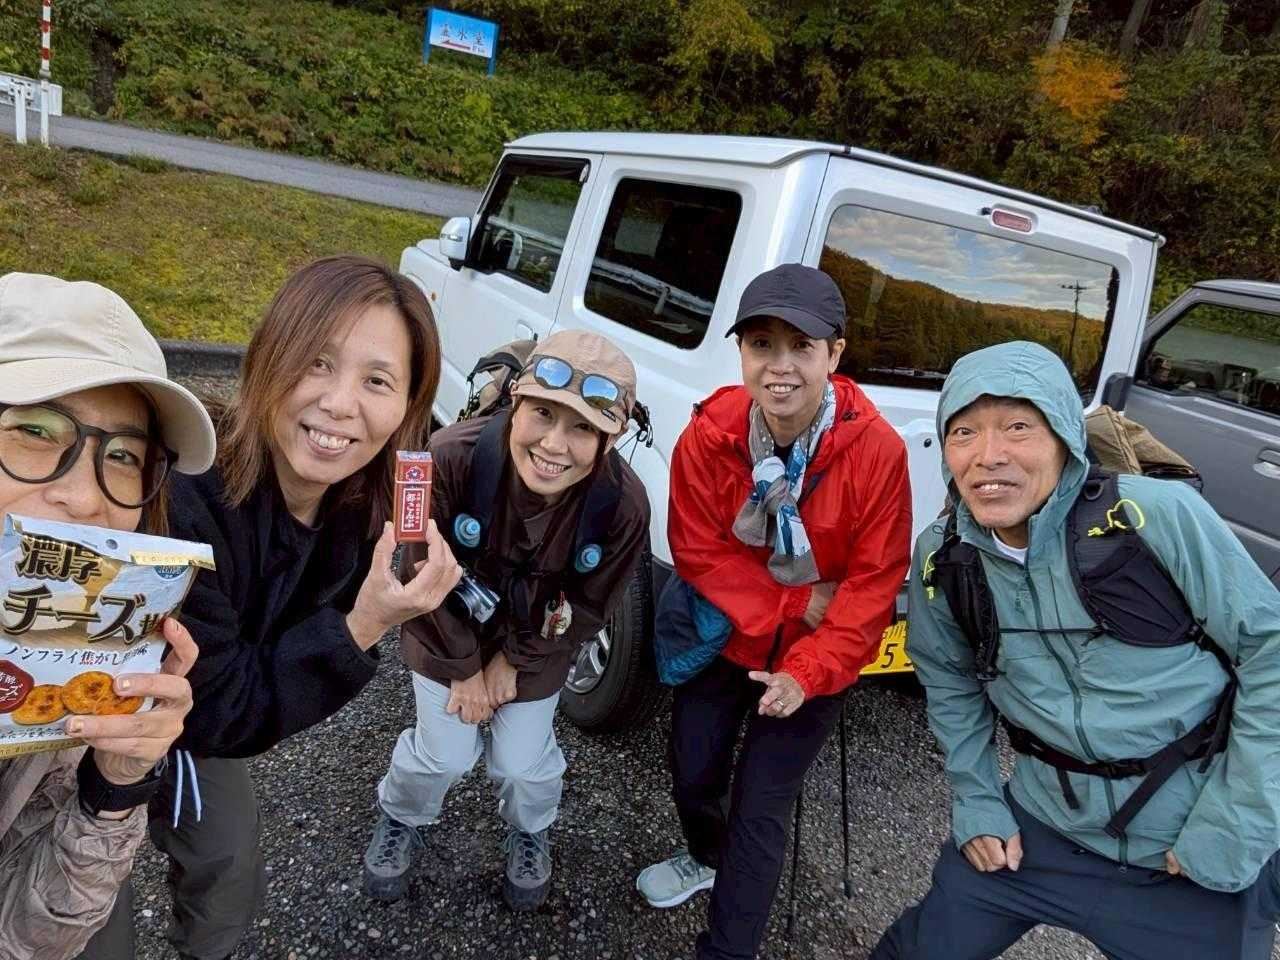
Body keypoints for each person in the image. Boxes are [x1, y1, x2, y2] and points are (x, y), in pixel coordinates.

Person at [77, 256, 462, 960]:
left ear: (408, 408)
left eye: (377, 381)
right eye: (317, 363)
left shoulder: (364, 508)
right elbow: (224, 709)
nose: (341, 404)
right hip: (86, 722)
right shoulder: (184, 488)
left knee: (229, 872)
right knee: (89, 925)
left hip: (202, 725)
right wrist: (365, 624)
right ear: (266, 358)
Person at [872, 341, 1280, 960]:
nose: (988, 455)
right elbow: (950, 682)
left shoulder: (1153, 516)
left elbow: (1271, 651)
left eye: (1018, 427)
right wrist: (978, 801)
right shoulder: (944, 556)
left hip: (1187, 841)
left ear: (1065, 437)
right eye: (963, 432)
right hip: (1041, 828)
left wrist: (1233, 827)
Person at [636, 263, 913, 960]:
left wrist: (807, 673)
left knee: (761, 807)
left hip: (811, 662)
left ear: (835, 354)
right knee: (693, 771)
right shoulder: (712, 433)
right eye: (762, 344)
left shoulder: (877, 452)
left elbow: (874, 583)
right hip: (726, 638)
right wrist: (797, 596)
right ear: (742, 352)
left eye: (801, 347)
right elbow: (698, 550)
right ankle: (706, 857)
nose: (780, 366)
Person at [362, 329, 651, 911]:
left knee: (523, 764)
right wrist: (467, 669)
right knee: (443, 754)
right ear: (515, 401)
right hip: (444, 631)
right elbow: (416, 577)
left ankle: (530, 829)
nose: (554, 444)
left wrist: (513, 663)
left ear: (613, 437)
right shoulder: (445, 459)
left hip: (538, 645)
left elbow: (589, 605)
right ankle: (401, 815)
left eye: (583, 428)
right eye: (543, 413)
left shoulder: (625, 506)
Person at [0, 272, 214, 959]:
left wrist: (116, 783)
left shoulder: (72, 672)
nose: (85, 496)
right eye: (34, 429)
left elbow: (35, 938)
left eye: (122, 455)